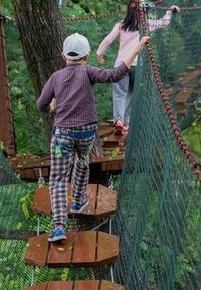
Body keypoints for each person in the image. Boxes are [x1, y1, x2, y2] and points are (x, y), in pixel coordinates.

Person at [37, 32, 150, 242]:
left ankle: (59, 227)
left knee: (58, 178)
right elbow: (115, 74)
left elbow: (41, 104)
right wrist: (138, 47)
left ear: (63, 55)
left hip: (62, 136)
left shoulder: (55, 78)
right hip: (86, 134)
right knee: (82, 160)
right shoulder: (88, 72)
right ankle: (79, 200)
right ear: (86, 56)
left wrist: (52, 106)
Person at [96, 0, 180, 133]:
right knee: (131, 93)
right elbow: (164, 22)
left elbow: (108, 40)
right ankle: (127, 123)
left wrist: (99, 53)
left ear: (128, 11)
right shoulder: (146, 25)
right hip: (137, 66)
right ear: (143, 12)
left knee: (119, 93)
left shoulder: (121, 25)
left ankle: (119, 120)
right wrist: (170, 10)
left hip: (121, 65)